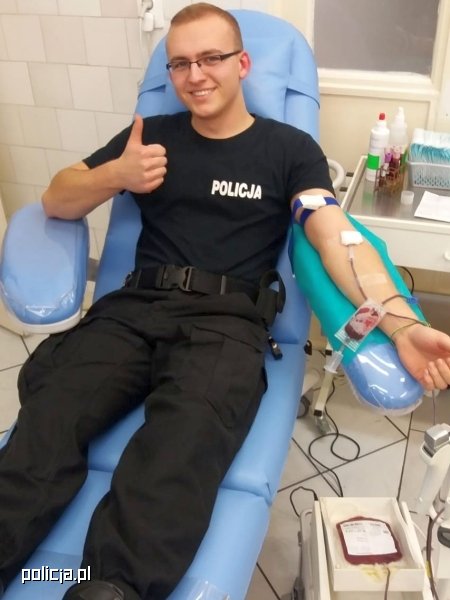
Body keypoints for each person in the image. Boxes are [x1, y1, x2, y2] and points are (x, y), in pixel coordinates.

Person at [1, 3, 450, 600]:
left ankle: (109, 587)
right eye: (180, 63)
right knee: (51, 413)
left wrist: (400, 324)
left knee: (181, 443)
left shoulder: (288, 150)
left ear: (243, 64)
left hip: (224, 324)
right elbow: (57, 198)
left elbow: (334, 237)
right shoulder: (149, 137)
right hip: (131, 310)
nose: (195, 75)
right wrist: (117, 175)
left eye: (211, 58)